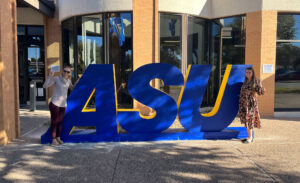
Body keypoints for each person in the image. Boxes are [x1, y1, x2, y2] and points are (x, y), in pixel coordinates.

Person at [43, 65, 79, 145]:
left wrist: (76, 83)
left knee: (60, 122)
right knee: (54, 122)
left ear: (70, 73)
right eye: (65, 71)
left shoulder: (68, 81)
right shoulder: (56, 78)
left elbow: (72, 88)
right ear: (62, 71)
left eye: (68, 72)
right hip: (55, 104)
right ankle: (53, 140)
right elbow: (45, 86)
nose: (66, 73)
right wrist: (50, 76)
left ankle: (58, 138)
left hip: (63, 105)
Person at [238, 67, 265, 144]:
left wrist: (260, 85)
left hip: (251, 104)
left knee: (249, 120)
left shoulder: (256, 81)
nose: (247, 74)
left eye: (249, 72)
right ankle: (249, 136)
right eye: (246, 72)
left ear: (253, 73)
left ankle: (250, 138)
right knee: (246, 120)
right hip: (244, 104)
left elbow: (260, 93)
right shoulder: (245, 81)